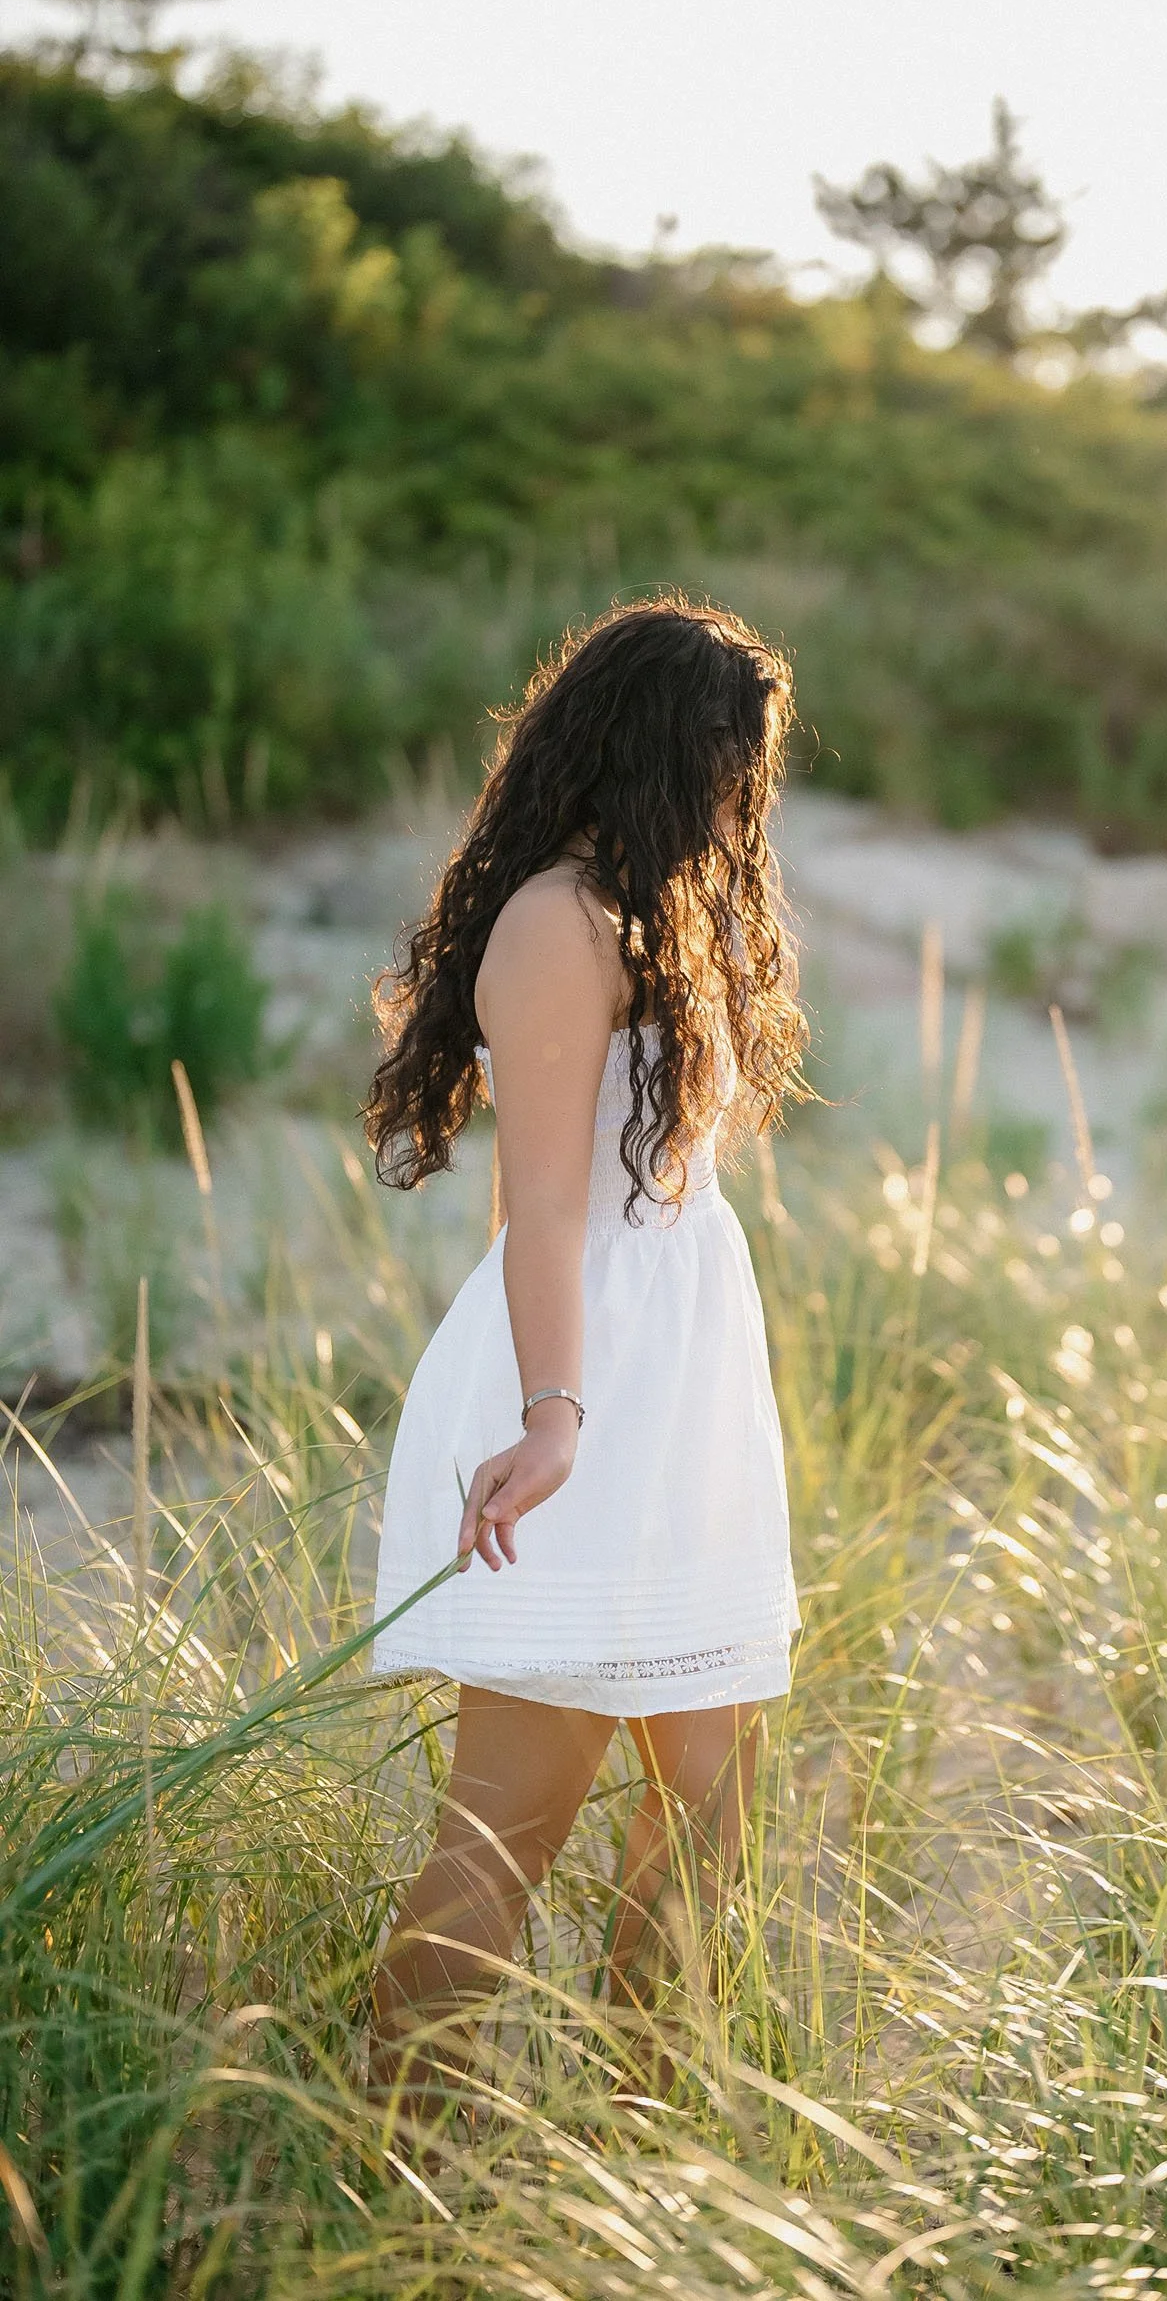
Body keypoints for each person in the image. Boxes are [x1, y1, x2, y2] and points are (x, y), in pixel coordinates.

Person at [361, 596, 809, 2099]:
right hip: (587, 1383)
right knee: (510, 1824)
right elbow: (542, 1201)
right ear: (660, 747)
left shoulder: (648, 909)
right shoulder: (555, 921)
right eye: (729, 761)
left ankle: (640, 2153)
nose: (743, 796)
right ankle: (385, 2153)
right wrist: (554, 1417)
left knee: (710, 1799)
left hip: (680, 1390)